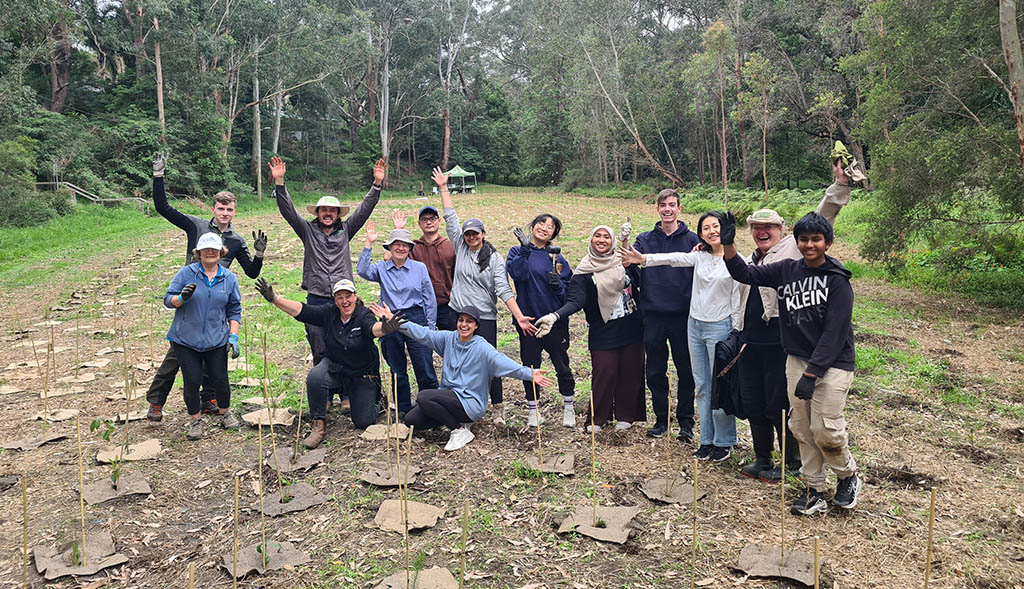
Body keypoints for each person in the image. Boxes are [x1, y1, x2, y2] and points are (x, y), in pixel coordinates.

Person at [722, 211, 860, 515]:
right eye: (804, 239)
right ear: (796, 242)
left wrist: (812, 373)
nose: (809, 245)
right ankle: (814, 489)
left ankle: (847, 475)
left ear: (828, 242)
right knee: (802, 428)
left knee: (826, 429)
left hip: (833, 364)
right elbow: (745, 274)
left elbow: (835, 333)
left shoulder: (837, 281)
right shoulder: (786, 270)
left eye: (816, 239)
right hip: (797, 361)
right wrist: (728, 245)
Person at [731, 161, 854, 482]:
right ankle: (761, 458)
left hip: (780, 344)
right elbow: (739, 278)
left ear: (783, 230)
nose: (762, 231)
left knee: (780, 406)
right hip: (750, 343)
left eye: (769, 226)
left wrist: (839, 186)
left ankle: (791, 463)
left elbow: (822, 217)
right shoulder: (751, 258)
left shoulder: (793, 250)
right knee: (753, 403)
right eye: (756, 226)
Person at [147, 154, 267, 422]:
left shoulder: (236, 240)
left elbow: (250, 272)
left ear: (234, 211)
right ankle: (156, 402)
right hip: (190, 295)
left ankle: (209, 399)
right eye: (220, 209)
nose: (225, 214)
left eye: (230, 210)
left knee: (213, 352)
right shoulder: (196, 225)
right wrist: (158, 177)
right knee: (178, 354)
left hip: (218, 296)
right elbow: (164, 208)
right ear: (213, 209)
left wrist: (259, 255)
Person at [622, 211, 742, 461]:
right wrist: (642, 258)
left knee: (719, 385)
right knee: (702, 386)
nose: (712, 231)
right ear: (700, 234)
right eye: (706, 228)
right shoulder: (698, 255)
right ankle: (707, 439)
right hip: (694, 325)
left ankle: (725, 441)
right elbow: (672, 259)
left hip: (720, 327)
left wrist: (737, 330)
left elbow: (742, 294)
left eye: (716, 226)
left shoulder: (737, 260)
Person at [371, 303, 553, 451]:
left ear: (476, 326)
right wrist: (396, 322)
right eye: (461, 320)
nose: (464, 325)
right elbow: (423, 334)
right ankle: (458, 423)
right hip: (449, 398)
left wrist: (529, 374)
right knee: (412, 420)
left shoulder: (482, 348)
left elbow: (503, 363)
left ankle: (459, 430)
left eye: (469, 322)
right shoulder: (448, 339)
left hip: (470, 403)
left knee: (424, 396)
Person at [432, 166, 537, 422]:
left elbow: (503, 289)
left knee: (489, 362)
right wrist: (444, 188)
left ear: (483, 235)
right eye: (467, 234)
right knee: (455, 360)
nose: (470, 237)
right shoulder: (459, 245)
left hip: (485, 317)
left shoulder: (495, 259)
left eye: (475, 233)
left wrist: (520, 317)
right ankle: (456, 402)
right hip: (458, 313)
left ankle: (498, 408)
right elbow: (450, 218)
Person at [254, 277, 403, 449]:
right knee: (316, 377)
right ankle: (319, 425)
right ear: (334, 300)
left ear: (355, 296)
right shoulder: (329, 312)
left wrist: (385, 328)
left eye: (348, 296)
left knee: (363, 421)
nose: (345, 301)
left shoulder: (363, 315)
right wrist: (275, 299)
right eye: (340, 297)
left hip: (361, 373)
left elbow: (372, 328)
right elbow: (303, 311)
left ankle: (376, 400)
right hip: (335, 366)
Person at [268, 155, 386, 366]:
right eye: (324, 211)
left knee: (346, 344)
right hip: (317, 296)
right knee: (318, 344)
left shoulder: (347, 229)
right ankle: (325, 392)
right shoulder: (307, 230)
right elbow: (288, 211)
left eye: (332, 211)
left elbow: (365, 209)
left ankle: (346, 392)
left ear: (338, 214)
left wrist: (377, 184)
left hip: (343, 297)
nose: (328, 214)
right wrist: (279, 183)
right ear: (319, 213)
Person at [535, 225, 644, 432]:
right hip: (603, 331)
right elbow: (576, 301)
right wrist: (554, 316)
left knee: (631, 372)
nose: (602, 240)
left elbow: (640, 283)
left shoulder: (624, 263)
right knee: (604, 372)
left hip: (632, 327)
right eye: (597, 236)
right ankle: (597, 418)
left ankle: (626, 415)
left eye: (606, 237)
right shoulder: (584, 271)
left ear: (612, 241)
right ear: (591, 240)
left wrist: (626, 249)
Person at [631, 189, 701, 441]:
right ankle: (661, 419)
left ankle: (685, 423)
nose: (668, 209)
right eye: (663, 205)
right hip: (653, 316)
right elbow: (631, 266)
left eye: (672, 205)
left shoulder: (694, 240)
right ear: (658, 209)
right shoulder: (644, 240)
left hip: (684, 316)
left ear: (679, 208)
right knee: (656, 371)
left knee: (686, 371)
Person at [163, 233, 242, 440]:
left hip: (216, 339)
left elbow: (234, 309)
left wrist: (233, 336)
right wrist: (181, 298)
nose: (210, 253)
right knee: (192, 380)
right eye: (205, 249)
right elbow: (167, 299)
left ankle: (225, 412)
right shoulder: (186, 273)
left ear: (220, 252)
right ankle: (195, 420)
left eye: (214, 250)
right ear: (198, 252)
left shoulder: (229, 278)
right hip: (185, 339)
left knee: (220, 379)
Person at [357, 222, 439, 416]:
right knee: (396, 367)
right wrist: (369, 243)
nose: (401, 248)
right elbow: (362, 270)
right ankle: (404, 409)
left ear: (410, 248)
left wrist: (430, 326)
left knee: (424, 364)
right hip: (389, 318)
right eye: (396, 244)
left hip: (416, 316)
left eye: (405, 245)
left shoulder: (419, 268)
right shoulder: (381, 268)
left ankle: (433, 407)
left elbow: (429, 298)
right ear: (390, 248)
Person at [507, 214, 575, 427]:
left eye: (551, 227)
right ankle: (533, 410)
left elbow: (569, 293)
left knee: (562, 364)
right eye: (541, 223)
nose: (545, 228)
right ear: (533, 225)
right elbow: (517, 274)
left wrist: (559, 286)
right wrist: (526, 249)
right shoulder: (518, 251)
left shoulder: (556, 258)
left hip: (554, 321)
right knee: (530, 366)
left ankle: (569, 407)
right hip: (528, 320)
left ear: (553, 234)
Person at [392, 207, 457, 331]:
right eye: (424, 219)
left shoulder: (450, 246)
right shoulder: (413, 248)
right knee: (422, 345)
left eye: (432, 219)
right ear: (419, 223)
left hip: (447, 305)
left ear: (439, 221)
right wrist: (398, 230)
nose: (429, 222)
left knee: (450, 344)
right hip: (420, 307)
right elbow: (390, 259)